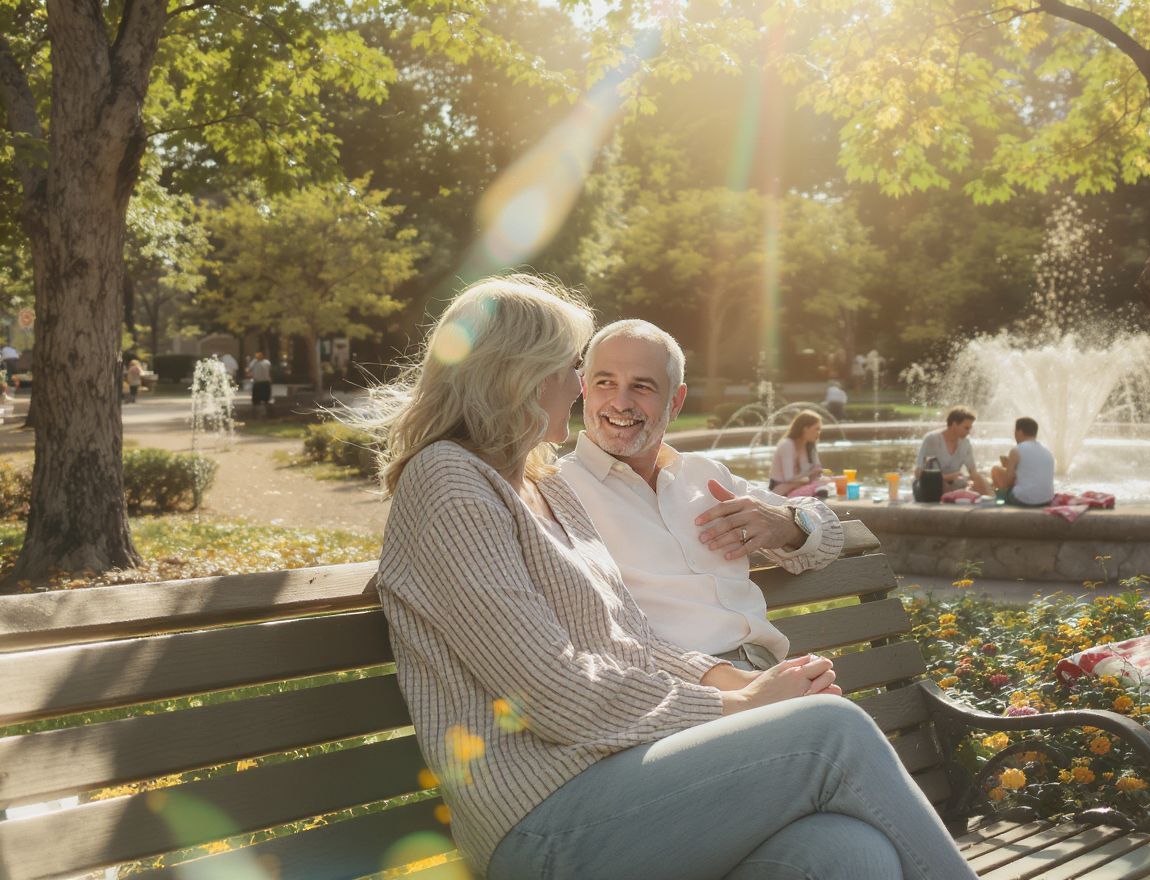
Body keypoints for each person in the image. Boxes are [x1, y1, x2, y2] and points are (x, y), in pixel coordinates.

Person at [365, 274, 975, 880]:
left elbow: (633, 641)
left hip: (624, 777)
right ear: (515, 374)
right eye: (571, 369)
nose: (577, 388)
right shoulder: (448, 481)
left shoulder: (542, 487)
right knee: (831, 735)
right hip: (543, 818)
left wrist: (749, 686)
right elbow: (549, 689)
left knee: (846, 853)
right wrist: (733, 703)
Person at [560, 320, 843, 671]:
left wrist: (786, 523)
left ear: (676, 402)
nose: (620, 402)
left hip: (766, 669)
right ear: (585, 389)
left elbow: (831, 533)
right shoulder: (559, 491)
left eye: (642, 386)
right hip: (683, 690)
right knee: (841, 720)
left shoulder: (704, 476)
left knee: (840, 717)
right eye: (605, 383)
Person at [913, 405, 992, 497]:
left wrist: (982, 482)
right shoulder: (932, 439)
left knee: (978, 479)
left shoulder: (965, 443)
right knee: (943, 483)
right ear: (954, 424)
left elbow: (973, 472)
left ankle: (991, 503)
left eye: (970, 428)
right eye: (966, 428)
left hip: (953, 485)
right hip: (930, 486)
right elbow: (918, 474)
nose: (969, 432)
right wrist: (948, 477)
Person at [991, 416, 1055, 506]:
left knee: (996, 470)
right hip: (1047, 500)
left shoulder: (1016, 450)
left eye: (1015, 432)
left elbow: (1008, 482)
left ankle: (999, 501)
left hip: (1023, 500)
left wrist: (1008, 468)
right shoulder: (1047, 452)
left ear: (1019, 432)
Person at [770, 410, 829, 499]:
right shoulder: (787, 444)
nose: (818, 433)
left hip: (799, 486)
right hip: (781, 490)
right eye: (816, 429)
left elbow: (816, 469)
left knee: (825, 483)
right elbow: (788, 478)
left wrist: (816, 473)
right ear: (805, 428)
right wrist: (811, 475)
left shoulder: (809, 445)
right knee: (820, 486)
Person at [245, 351, 272, 416]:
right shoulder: (265, 362)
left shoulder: (256, 362)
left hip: (261, 382)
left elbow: (248, 370)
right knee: (261, 400)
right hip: (262, 382)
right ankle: (260, 414)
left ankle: (263, 414)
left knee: (261, 400)